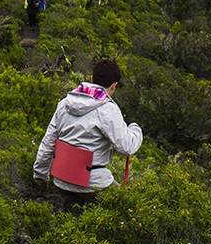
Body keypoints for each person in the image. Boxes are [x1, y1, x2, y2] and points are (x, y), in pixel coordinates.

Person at [33, 59, 142, 207]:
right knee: (126, 207)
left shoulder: (64, 103)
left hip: (62, 179)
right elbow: (127, 147)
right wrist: (135, 129)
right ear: (114, 86)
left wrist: (40, 174)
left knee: (71, 221)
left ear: (91, 78)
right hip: (93, 182)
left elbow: (48, 142)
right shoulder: (107, 110)